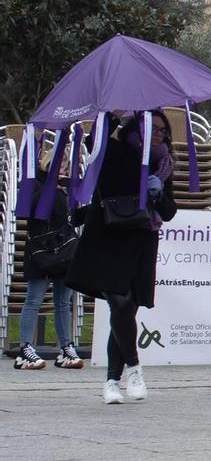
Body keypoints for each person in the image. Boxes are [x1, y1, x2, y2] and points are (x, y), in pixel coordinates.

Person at [66, 112, 178, 405]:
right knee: (120, 301)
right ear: (137, 129)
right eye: (154, 129)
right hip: (109, 234)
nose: (160, 136)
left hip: (142, 238)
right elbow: (94, 142)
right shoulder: (116, 150)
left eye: (164, 132)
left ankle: (112, 381)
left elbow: (168, 211)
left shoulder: (164, 164)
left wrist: (158, 193)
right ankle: (135, 368)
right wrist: (111, 116)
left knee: (126, 311)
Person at [12, 156, 83, 370]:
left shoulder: (69, 187)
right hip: (41, 250)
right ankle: (25, 348)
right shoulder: (36, 182)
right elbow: (29, 210)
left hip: (64, 250)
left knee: (63, 302)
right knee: (34, 299)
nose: (62, 168)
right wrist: (51, 186)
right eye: (59, 163)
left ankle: (66, 347)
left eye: (65, 165)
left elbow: (73, 218)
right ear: (47, 163)